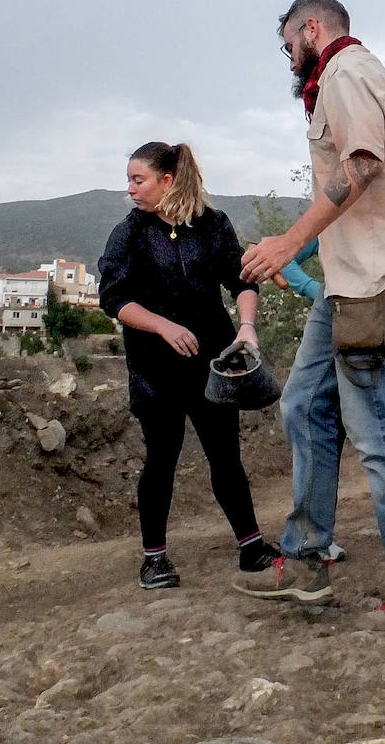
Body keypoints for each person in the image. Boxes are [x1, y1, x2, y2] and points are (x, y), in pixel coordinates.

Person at [233, 0, 385, 636]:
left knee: (380, 431)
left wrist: (286, 242)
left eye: (288, 45)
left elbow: (362, 163)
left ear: (312, 29)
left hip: (375, 282)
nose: (289, 58)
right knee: (304, 404)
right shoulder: (372, 77)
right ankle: (305, 558)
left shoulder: (345, 72)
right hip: (351, 281)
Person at [97, 141, 279, 589]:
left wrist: (247, 328)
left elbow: (242, 281)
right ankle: (154, 559)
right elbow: (113, 299)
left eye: (138, 180)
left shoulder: (213, 225)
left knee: (226, 457)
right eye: (129, 180)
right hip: (154, 369)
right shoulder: (130, 232)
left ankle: (251, 546)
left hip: (212, 363)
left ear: (167, 180)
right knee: (161, 459)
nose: (130, 189)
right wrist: (162, 326)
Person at [273, 229, 385, 562]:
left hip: (371, 299)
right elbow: (289, 263)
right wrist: (315, 289)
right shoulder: (331, 225)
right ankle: (308, 551)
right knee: (303, 407)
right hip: (336, 297)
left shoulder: (377, 210)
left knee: (376, 427)